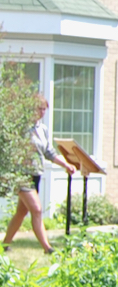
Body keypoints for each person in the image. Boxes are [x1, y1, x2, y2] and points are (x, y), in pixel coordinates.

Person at [3, 94, 75, 255]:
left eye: (44, 109)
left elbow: (49, 152)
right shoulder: (21, 127)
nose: (42, 112)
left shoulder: (42, 129)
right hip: (21, 175)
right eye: (39, 108)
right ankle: (47, 248)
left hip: (36, 174)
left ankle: (4, 245)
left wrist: (66, 164)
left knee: (22, 212)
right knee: (36, 209)